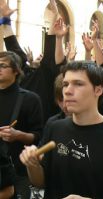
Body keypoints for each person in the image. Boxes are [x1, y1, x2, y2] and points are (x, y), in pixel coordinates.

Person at [20, 61, 103, 199]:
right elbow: (40, 183)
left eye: (78, 84)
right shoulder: (55, 128)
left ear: (98, 90)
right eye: (65, 84)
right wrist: (32, 165)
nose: (68, 91)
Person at [0, 51, 44, 198]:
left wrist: (18, 135)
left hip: (18, 171)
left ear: (16, 70)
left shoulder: (30, 99)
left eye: (2, 65)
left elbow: (38, 136)